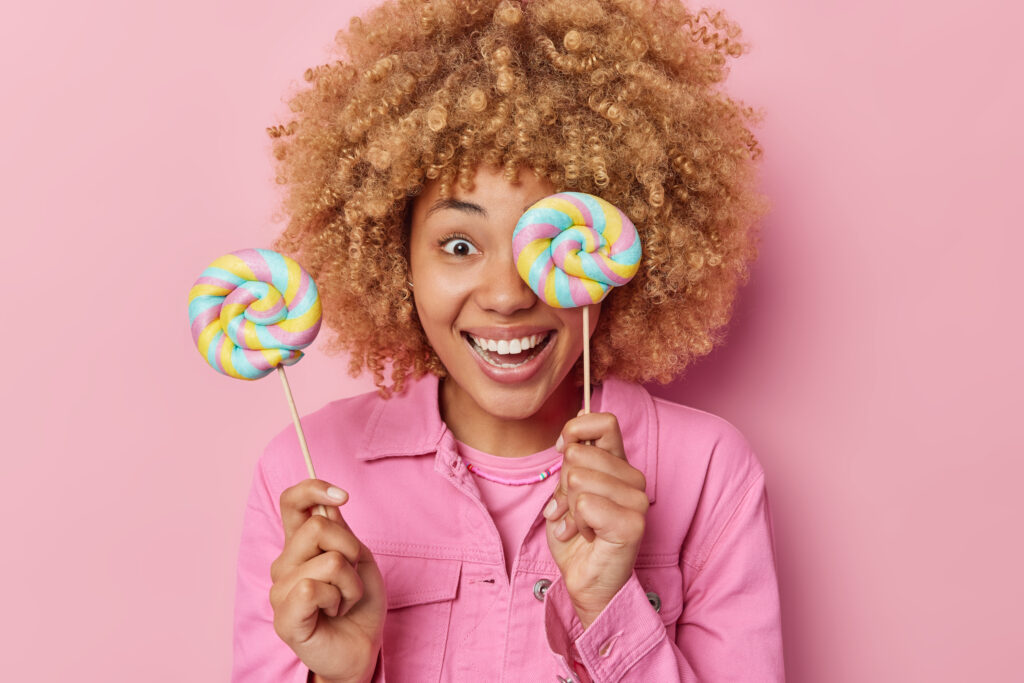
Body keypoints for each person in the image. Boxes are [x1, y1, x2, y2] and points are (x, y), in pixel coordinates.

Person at [232, 0, 784, 681]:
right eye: (459, 244)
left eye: (549, 238)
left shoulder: (707, 474)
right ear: (393, 254)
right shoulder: (307, 475)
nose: (506, 294)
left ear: (611, 248)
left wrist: (610, 602)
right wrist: (341, 676)